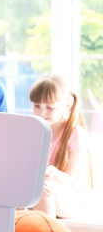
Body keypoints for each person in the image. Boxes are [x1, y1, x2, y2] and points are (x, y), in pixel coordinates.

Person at [29, 74, 94, 218]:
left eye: (50, 107)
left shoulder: (75, 133)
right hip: (51, 194)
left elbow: (70, 180)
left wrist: (53, 172)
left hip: (77, 200)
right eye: (37, 105)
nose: (42, 112)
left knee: (42, 186)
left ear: (68, 105)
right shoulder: (34, 132)